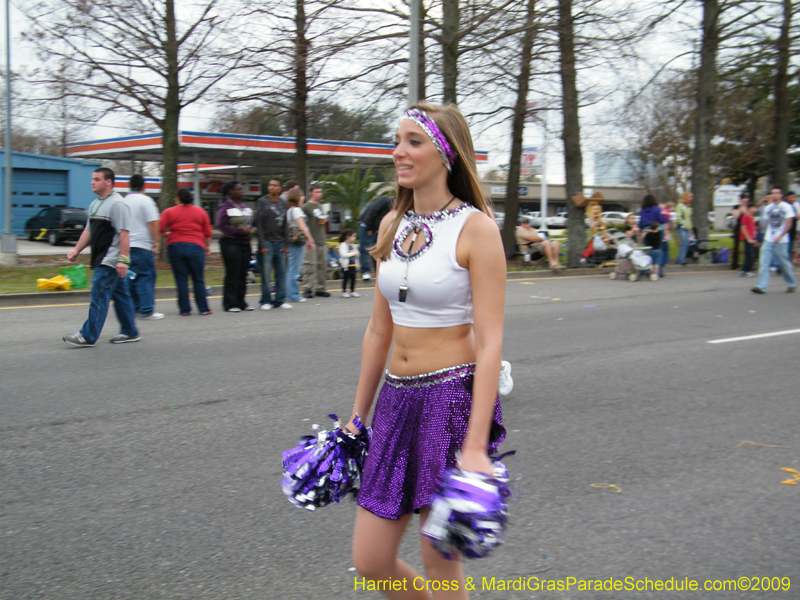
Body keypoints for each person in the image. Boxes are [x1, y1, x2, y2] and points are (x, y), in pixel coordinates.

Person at [343, 102, 506, 599]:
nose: (399, 152)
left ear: (447, 153)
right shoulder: (392, 223)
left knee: (440, 562)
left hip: (448, 403)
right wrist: (357, 417)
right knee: (370, 560)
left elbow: (492, 338)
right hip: (395, 402)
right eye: (398, 141)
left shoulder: (476, 228)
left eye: (413, 141)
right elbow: (377, 330)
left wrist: (475, 445)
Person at [63, 168, 140, 347]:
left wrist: (123, 260)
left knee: (98, 295)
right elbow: (88, 231)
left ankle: (87, 336)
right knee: (121, 295)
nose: (92, 182)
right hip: (100, 258)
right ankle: (130, 332)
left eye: (97, 179)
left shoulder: (117, 204)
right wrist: (76, 250)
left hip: (110, 260)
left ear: (108, 182)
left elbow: (124, 233)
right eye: (92, 179)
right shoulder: (95, 204)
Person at [160, 188, 213, 316]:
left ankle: (185, 310)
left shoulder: (169, 212)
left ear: (177, 198)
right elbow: (208, 232)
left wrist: (167, 235)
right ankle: (203, 308)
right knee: (198, 278)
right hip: (196, 246)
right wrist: (206, 246)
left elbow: (160, 227)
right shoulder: (200, 212)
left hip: (175, 246)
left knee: (181, 279)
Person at [123, 174, 163, 320]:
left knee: (131, 277)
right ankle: (147, 310)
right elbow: (152, 222)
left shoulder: (123, 201)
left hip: (126, 245)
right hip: (142, 244)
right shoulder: (146, 200)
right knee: (146, 276)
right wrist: (157, 240)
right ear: (143, 186)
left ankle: (133, 308)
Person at [216, 181, 254, 312]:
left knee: (243, 273)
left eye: (241, 189)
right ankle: (230, 303)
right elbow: (221, 226)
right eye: (238, 189)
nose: (241, 191)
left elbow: (250, 222)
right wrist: (239, 231)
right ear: (231, 191)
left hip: (245, 243)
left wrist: (252, 229)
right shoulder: (225, 207)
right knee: (233, 273)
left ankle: (241, 301)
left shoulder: (244, 207)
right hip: (231, 243)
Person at [751, 188, 797, 294]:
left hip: (781, 240)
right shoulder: (768, 208)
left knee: (783, 263)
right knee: (764, 262)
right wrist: (769, 235)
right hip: (769, 239)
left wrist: (780, 235)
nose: (774, 195)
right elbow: (769, 223)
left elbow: (789, 223)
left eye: (777, 193)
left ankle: (792, 284)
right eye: (773, 193)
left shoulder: (787, 207)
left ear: (781, 195)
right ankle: (761, 286)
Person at [256, 179, 292, 310]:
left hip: (280, 243)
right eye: (270, 185)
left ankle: (280, 300)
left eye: (275, 186)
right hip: (267, 242)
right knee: (266, 273)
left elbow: (285, 224)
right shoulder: (262, 202)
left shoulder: (283, 203)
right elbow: (258, 224)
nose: (271, 187)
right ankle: (265, 300)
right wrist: (262, 243)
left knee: (281, 272)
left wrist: (286, 243)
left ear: (280, 189)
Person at [285, 188, 315, 303]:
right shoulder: (297, 210)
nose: (303, 197)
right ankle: (293, 294)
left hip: (291, 242)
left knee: (291, 268)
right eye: (301, 195)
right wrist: (310, 239)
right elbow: (302, 227)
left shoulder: (290, 210)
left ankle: (289, 293)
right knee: (295, 269)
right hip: (297, 242)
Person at [301, 183, 330, 298]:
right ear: (311, 193)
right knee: (310, 265)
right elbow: (303, 223)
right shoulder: (306, 207)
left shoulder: (320, 206)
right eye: (316, 192)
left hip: (322, 239)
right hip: (311, 240)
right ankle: (307, 288)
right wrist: (307, 239)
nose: (319, 194)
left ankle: (320, 288)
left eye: (320, 192)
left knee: (322, 266)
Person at [358, 195, 394, 280]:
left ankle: (378, 271)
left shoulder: (395, 209)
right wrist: (369, 227)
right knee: (366, 248)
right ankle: (366, 271)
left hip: (376, 229)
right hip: (367, 226)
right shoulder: (385, 200)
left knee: (377, 251)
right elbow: (372, 211)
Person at [338, 228, 361, 298]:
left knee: (353, 279)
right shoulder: (343, 245)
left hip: (353, 265)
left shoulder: (353, 246)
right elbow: (343, 254)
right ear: (348, 237)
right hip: (346, 266)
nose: (355, 238)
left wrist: (356, 254)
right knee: (345, 279)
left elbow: (358, 253)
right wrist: (353, 254)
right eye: (353, 236)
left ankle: (352, 291)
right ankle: (344, 291)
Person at [739, 204, 758, 277]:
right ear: (749, 208)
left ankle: (746, 269)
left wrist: (755, 239)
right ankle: (745, 270)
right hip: (747, 238)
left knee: (751, 255)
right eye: (754, 207)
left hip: (752, 238)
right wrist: (748, 238)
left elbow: (753, 229)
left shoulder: (752, 218)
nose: (755, 209)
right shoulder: (745, 217)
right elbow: (743, 228)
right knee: (749, 255)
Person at [675, 192, 693, 265]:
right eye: (690, 197)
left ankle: (679, 259)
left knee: (687, 244)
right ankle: (681, 260)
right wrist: (684, 224)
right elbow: (679, 217)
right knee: (684, 243)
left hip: (687, 228)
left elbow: (688, 218)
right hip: (682, 228)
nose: (691, 198)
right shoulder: (680, 205)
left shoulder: (687, 207)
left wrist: (690, 227)